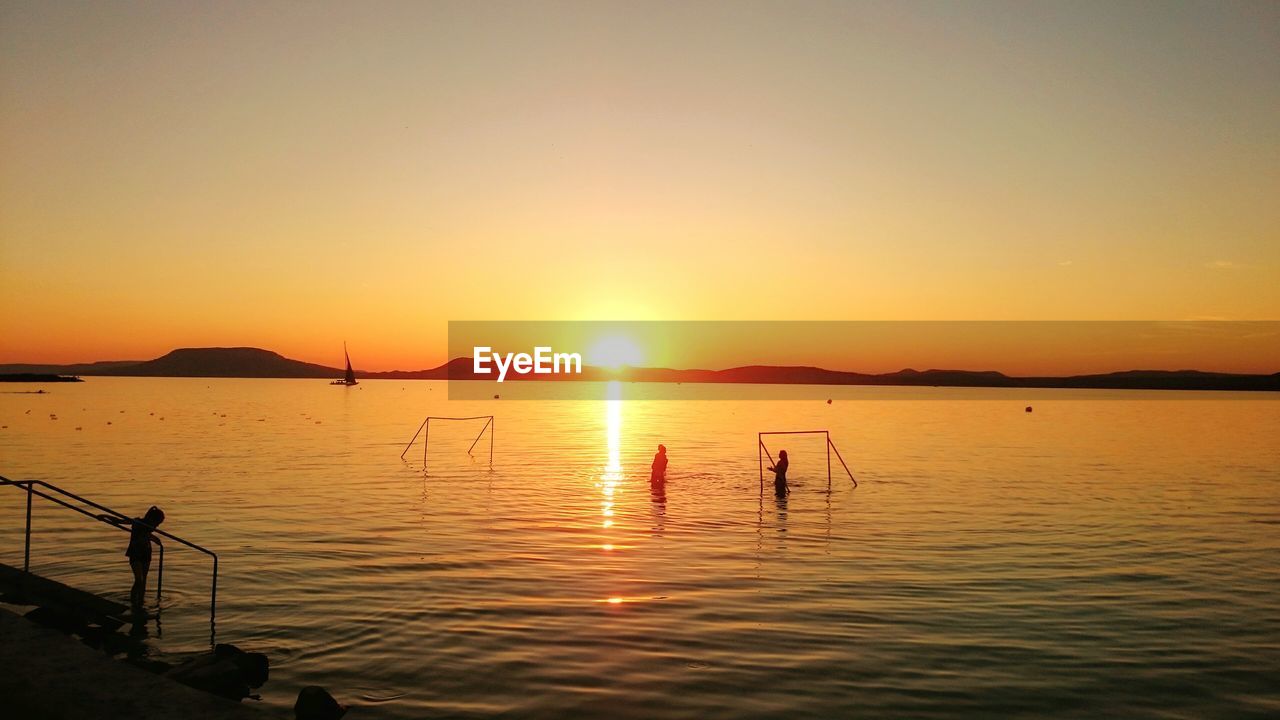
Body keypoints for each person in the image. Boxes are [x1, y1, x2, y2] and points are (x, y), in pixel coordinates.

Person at [126, 505, 165, 609]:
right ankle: (133, 602)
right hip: (135, 553)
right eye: (156, 524)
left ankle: (140, 602)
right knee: (139, 579)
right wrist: (105, 516)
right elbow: (122, 521)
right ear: (151, 519)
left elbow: (147, 535)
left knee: (144, 581)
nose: (156, 527)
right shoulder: (138, 522)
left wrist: (155, 538)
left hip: (146, 553)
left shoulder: (149, 527)